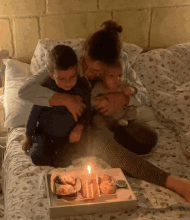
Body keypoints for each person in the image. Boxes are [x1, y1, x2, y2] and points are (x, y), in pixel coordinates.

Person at [18, 20, 190, 203]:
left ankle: (102, 147)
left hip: (111, 118)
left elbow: (143, 94)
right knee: (104, 144)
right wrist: (65, 99)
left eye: (98, 71)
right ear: (84, 52)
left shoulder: (120, 61)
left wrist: (123, 97)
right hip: (82, 121)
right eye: (87, 66)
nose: (89, 72)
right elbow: (25, 91)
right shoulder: (67, 60)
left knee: (148, 138)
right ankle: (170, 181)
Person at [21, 45, 91, 166]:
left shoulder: (82, 86)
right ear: (52, 75)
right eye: (62, 79)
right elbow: (34, 113)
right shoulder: (45, 88)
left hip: (69, 136)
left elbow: (88, 110)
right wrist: (28, 136)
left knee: (67, 161)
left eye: (72, 77)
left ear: (77, 70)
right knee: (38, 158)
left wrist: (80, 125)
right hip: (46, 134)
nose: (68, 82)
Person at [91, 59, 139, 127]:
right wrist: (98, 102)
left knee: (134, 111)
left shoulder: (124, 83)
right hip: (106, 115)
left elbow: (136, 87)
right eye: (111, 76)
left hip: (123, 113)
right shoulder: (98, 87)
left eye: (120, 75)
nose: (117, 79)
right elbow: (91, 99)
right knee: (97, 119)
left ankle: (124, 120)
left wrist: (132, 90)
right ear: (102, 77)